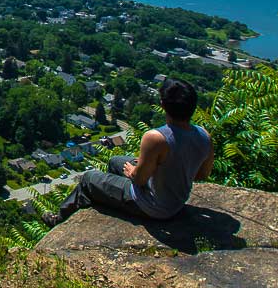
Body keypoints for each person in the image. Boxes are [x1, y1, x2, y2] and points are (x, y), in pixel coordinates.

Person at [42, 77, 214, 227]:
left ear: (163, 105)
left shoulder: (156, 138)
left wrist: (133, 172)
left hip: (153, 206)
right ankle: (109, 200)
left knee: (88, 179)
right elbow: (201, 174)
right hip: (177, 200)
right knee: (115, 161)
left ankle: (60, 218)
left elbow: (139, 179)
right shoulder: (204, 135)